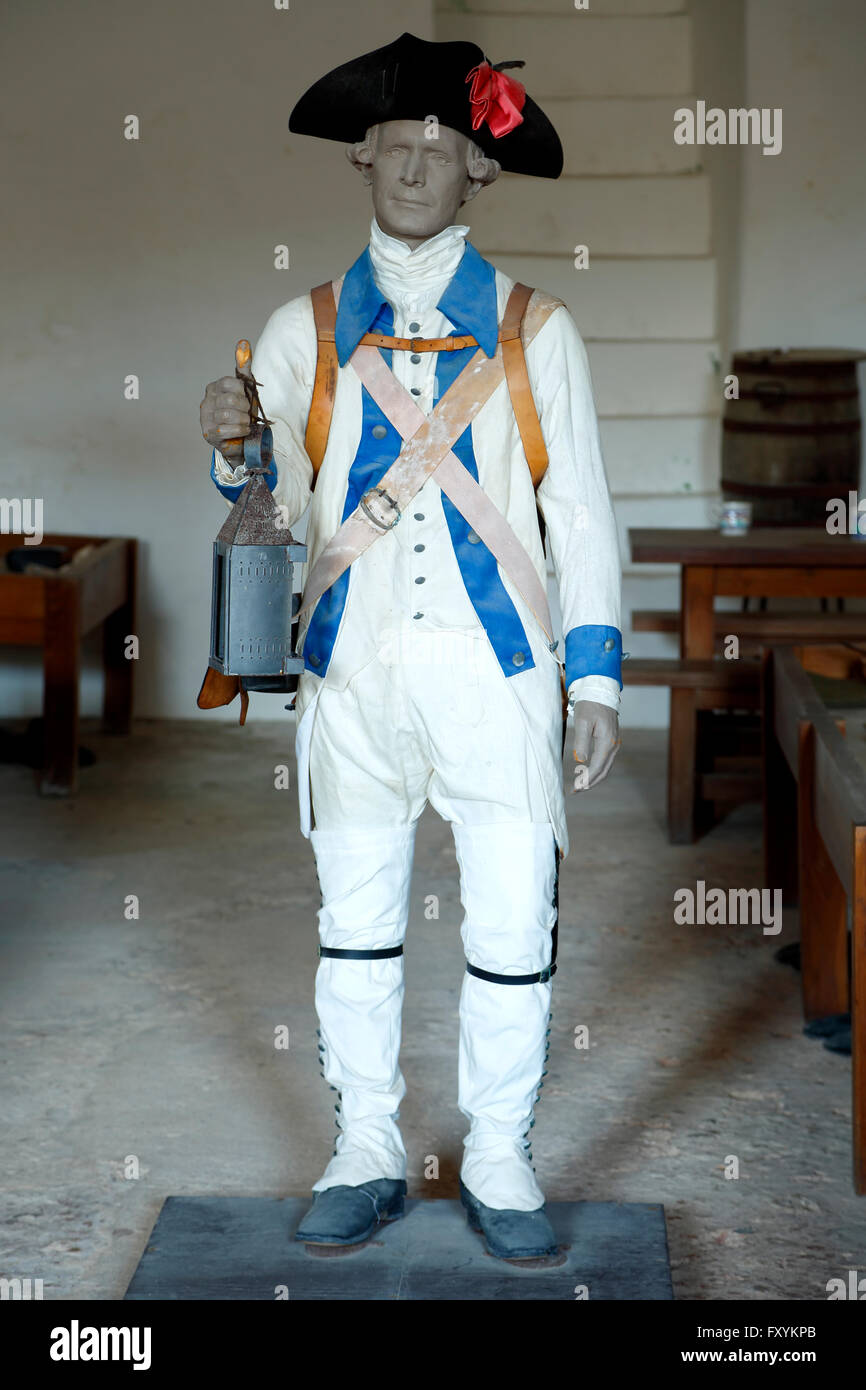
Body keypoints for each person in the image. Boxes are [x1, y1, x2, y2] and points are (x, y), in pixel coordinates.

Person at [200, 31, 622, 1262]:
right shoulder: (303, 325)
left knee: (506, 924)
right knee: (356, 918)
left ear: (478, 171)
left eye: (445, 148)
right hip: (354, 667)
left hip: (499, 675)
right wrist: (232, 436)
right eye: (399, 145)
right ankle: (365, 1145)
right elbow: (261, 482)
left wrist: (591, 675)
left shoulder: (540, 333)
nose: (418, 167)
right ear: (362, 156)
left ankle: (497, 1151)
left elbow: (582, 512)